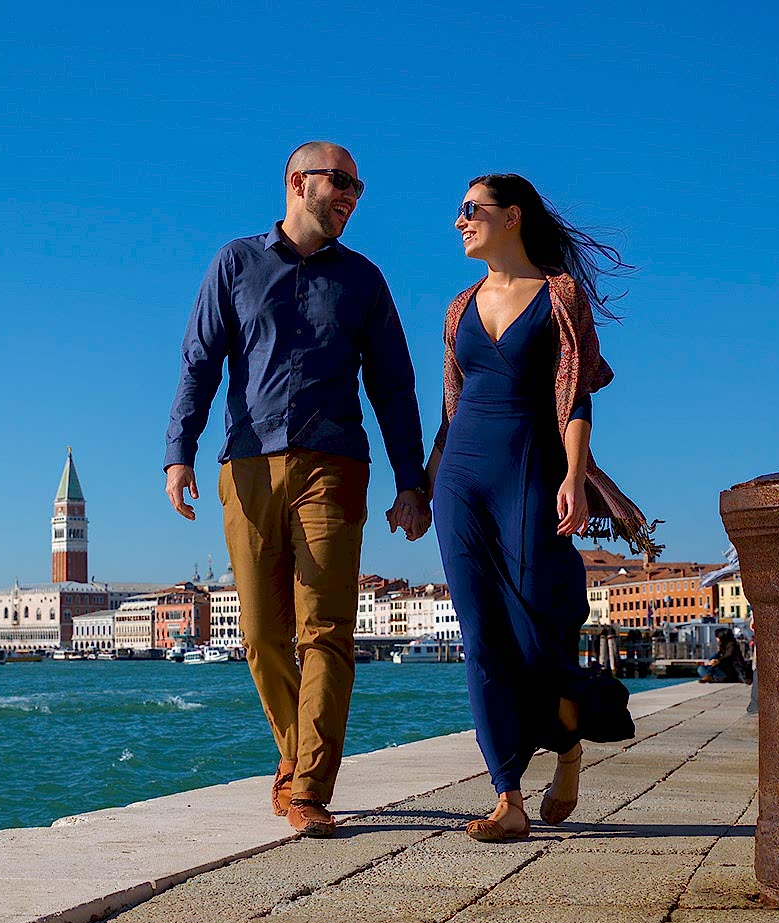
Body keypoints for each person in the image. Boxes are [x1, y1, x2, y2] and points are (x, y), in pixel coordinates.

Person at [163, 141, 429, 838]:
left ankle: (309, 785)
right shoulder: (236, 262)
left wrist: (412, 481)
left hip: (334, 465)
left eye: (357, 187)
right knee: (259, 634)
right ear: (295, 182)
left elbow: (394, 385)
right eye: (338, 181)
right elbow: (200, 361)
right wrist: (178, 453)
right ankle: (293, 752)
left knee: (326, 630)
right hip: (246, 466)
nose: (349, 195)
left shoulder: (365, 281)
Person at [426, 173, 658, 841]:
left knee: (534, 631)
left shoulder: (559, 296)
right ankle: (508, 795)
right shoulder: (457, 308)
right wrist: (419, 485)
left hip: (531, 467)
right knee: (480, 637)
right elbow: (449, 405)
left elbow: (577, 397)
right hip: (461, 479)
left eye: (471, 209)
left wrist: (577, 475)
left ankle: (569, 744)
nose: (459, 221)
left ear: (513, 218)